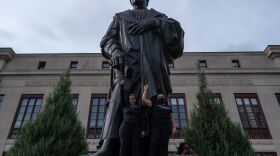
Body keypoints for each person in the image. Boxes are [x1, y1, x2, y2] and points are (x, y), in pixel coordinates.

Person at [96, 0, 184, 154]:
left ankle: (154, 147)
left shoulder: (158, 16)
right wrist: (115, 51)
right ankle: (109, 144)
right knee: (120, 98)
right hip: (128, 67)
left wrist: (154, 23)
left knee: (155, 104)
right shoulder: (120, 17)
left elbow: (176, 35)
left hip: (153, 69)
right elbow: (107, 41)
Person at [142, 84, 176, 156]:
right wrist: (145, 90)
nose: (161, 96)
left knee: (164, 145)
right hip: (156, 126)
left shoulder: (168, 107)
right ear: (157, 98)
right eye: (159, 95)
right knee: (153, 143)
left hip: (166, 127)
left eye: (162, 95)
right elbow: (144, 100)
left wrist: (174, 127)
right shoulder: (153, 104)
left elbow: (172, 117)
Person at [119, 80, 145, 156]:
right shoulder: (125, 107)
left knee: (135, 147)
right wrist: (121, 86)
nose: (132, 99)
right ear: (129, 100)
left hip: (136, 128)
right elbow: (121, 96)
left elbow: (142, 118)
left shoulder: (138, 108)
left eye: (133, 98)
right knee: (124, 146)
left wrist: (143, 129)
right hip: (125, 127)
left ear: (135, 100)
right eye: (130, 98)